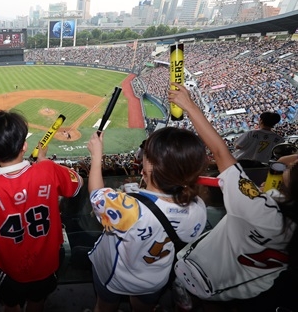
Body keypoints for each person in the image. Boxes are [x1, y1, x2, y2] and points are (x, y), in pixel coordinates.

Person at [169, 83, 297, 311]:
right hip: (248, 294)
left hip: (199, 278)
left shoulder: (259, 208)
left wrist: (189, 105)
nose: (283, 168)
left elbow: (221, 152)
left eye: (288, 171)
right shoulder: (281, 216)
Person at [0, 110, 83, 312]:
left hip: (9, 268)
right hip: (47, 263)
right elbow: (78, 184)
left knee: (11, 304)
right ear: (24, 146)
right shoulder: (47, 170)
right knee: (37, 302)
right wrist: (43, 161)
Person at [86, 125, 208, 311]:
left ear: (150, 164)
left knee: (105, 307)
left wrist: (96, 155)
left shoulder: (130, 209)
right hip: (156, 277)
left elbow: (96, 193)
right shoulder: (198, 206)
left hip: (115, 275)